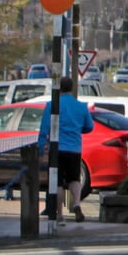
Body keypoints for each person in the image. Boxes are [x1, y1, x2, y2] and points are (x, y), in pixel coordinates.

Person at [37, 76, 94, 221]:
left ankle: (60, 214)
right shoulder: (81, 106)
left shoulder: (52, 105)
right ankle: (76, 203)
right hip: (74, 148)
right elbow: (89, 126)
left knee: (57, 183)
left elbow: (44, 128)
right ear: (72, 88)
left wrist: (40, 148)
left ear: (59, 88)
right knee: (74, 179)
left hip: (57, 148)